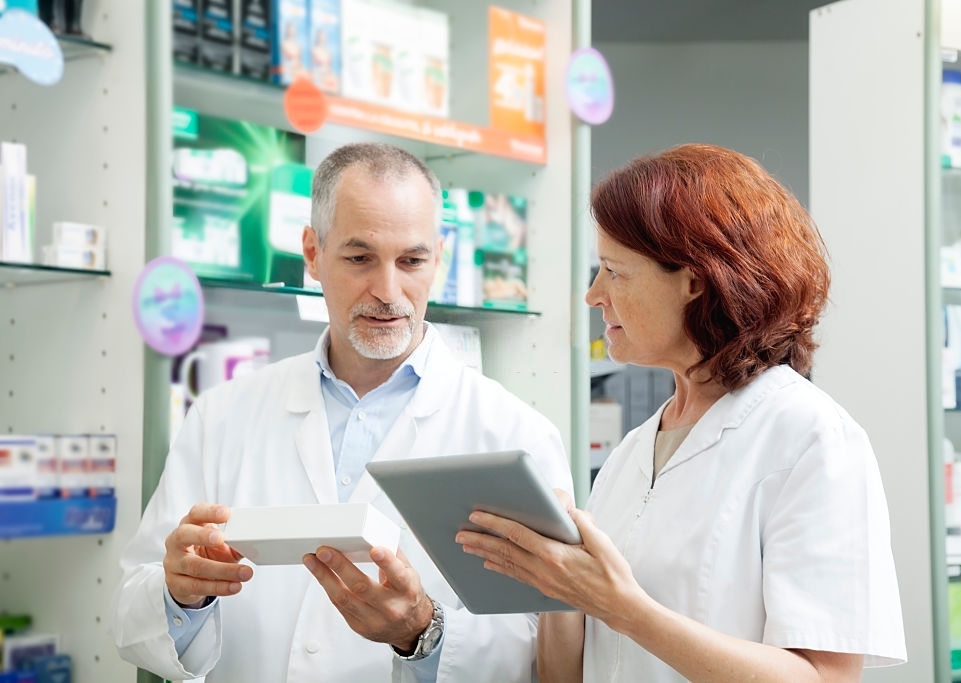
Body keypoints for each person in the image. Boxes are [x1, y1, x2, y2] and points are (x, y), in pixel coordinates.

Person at [109, 142, 573, 682]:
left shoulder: (516, 434)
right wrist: (179, 595)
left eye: (412, 261)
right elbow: (129, 617)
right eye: (359, 258)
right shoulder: (222, 416)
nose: (387, 290)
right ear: (312, 253)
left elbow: (548, 649)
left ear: (439, 260)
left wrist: (422, 631)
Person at [457, 143, 907, 682]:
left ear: (695, 281)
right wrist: (562, 587)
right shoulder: (632, 452)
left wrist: (624, 608)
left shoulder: (811, 438)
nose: (593, 295)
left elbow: (826, 678)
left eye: (614, 272)